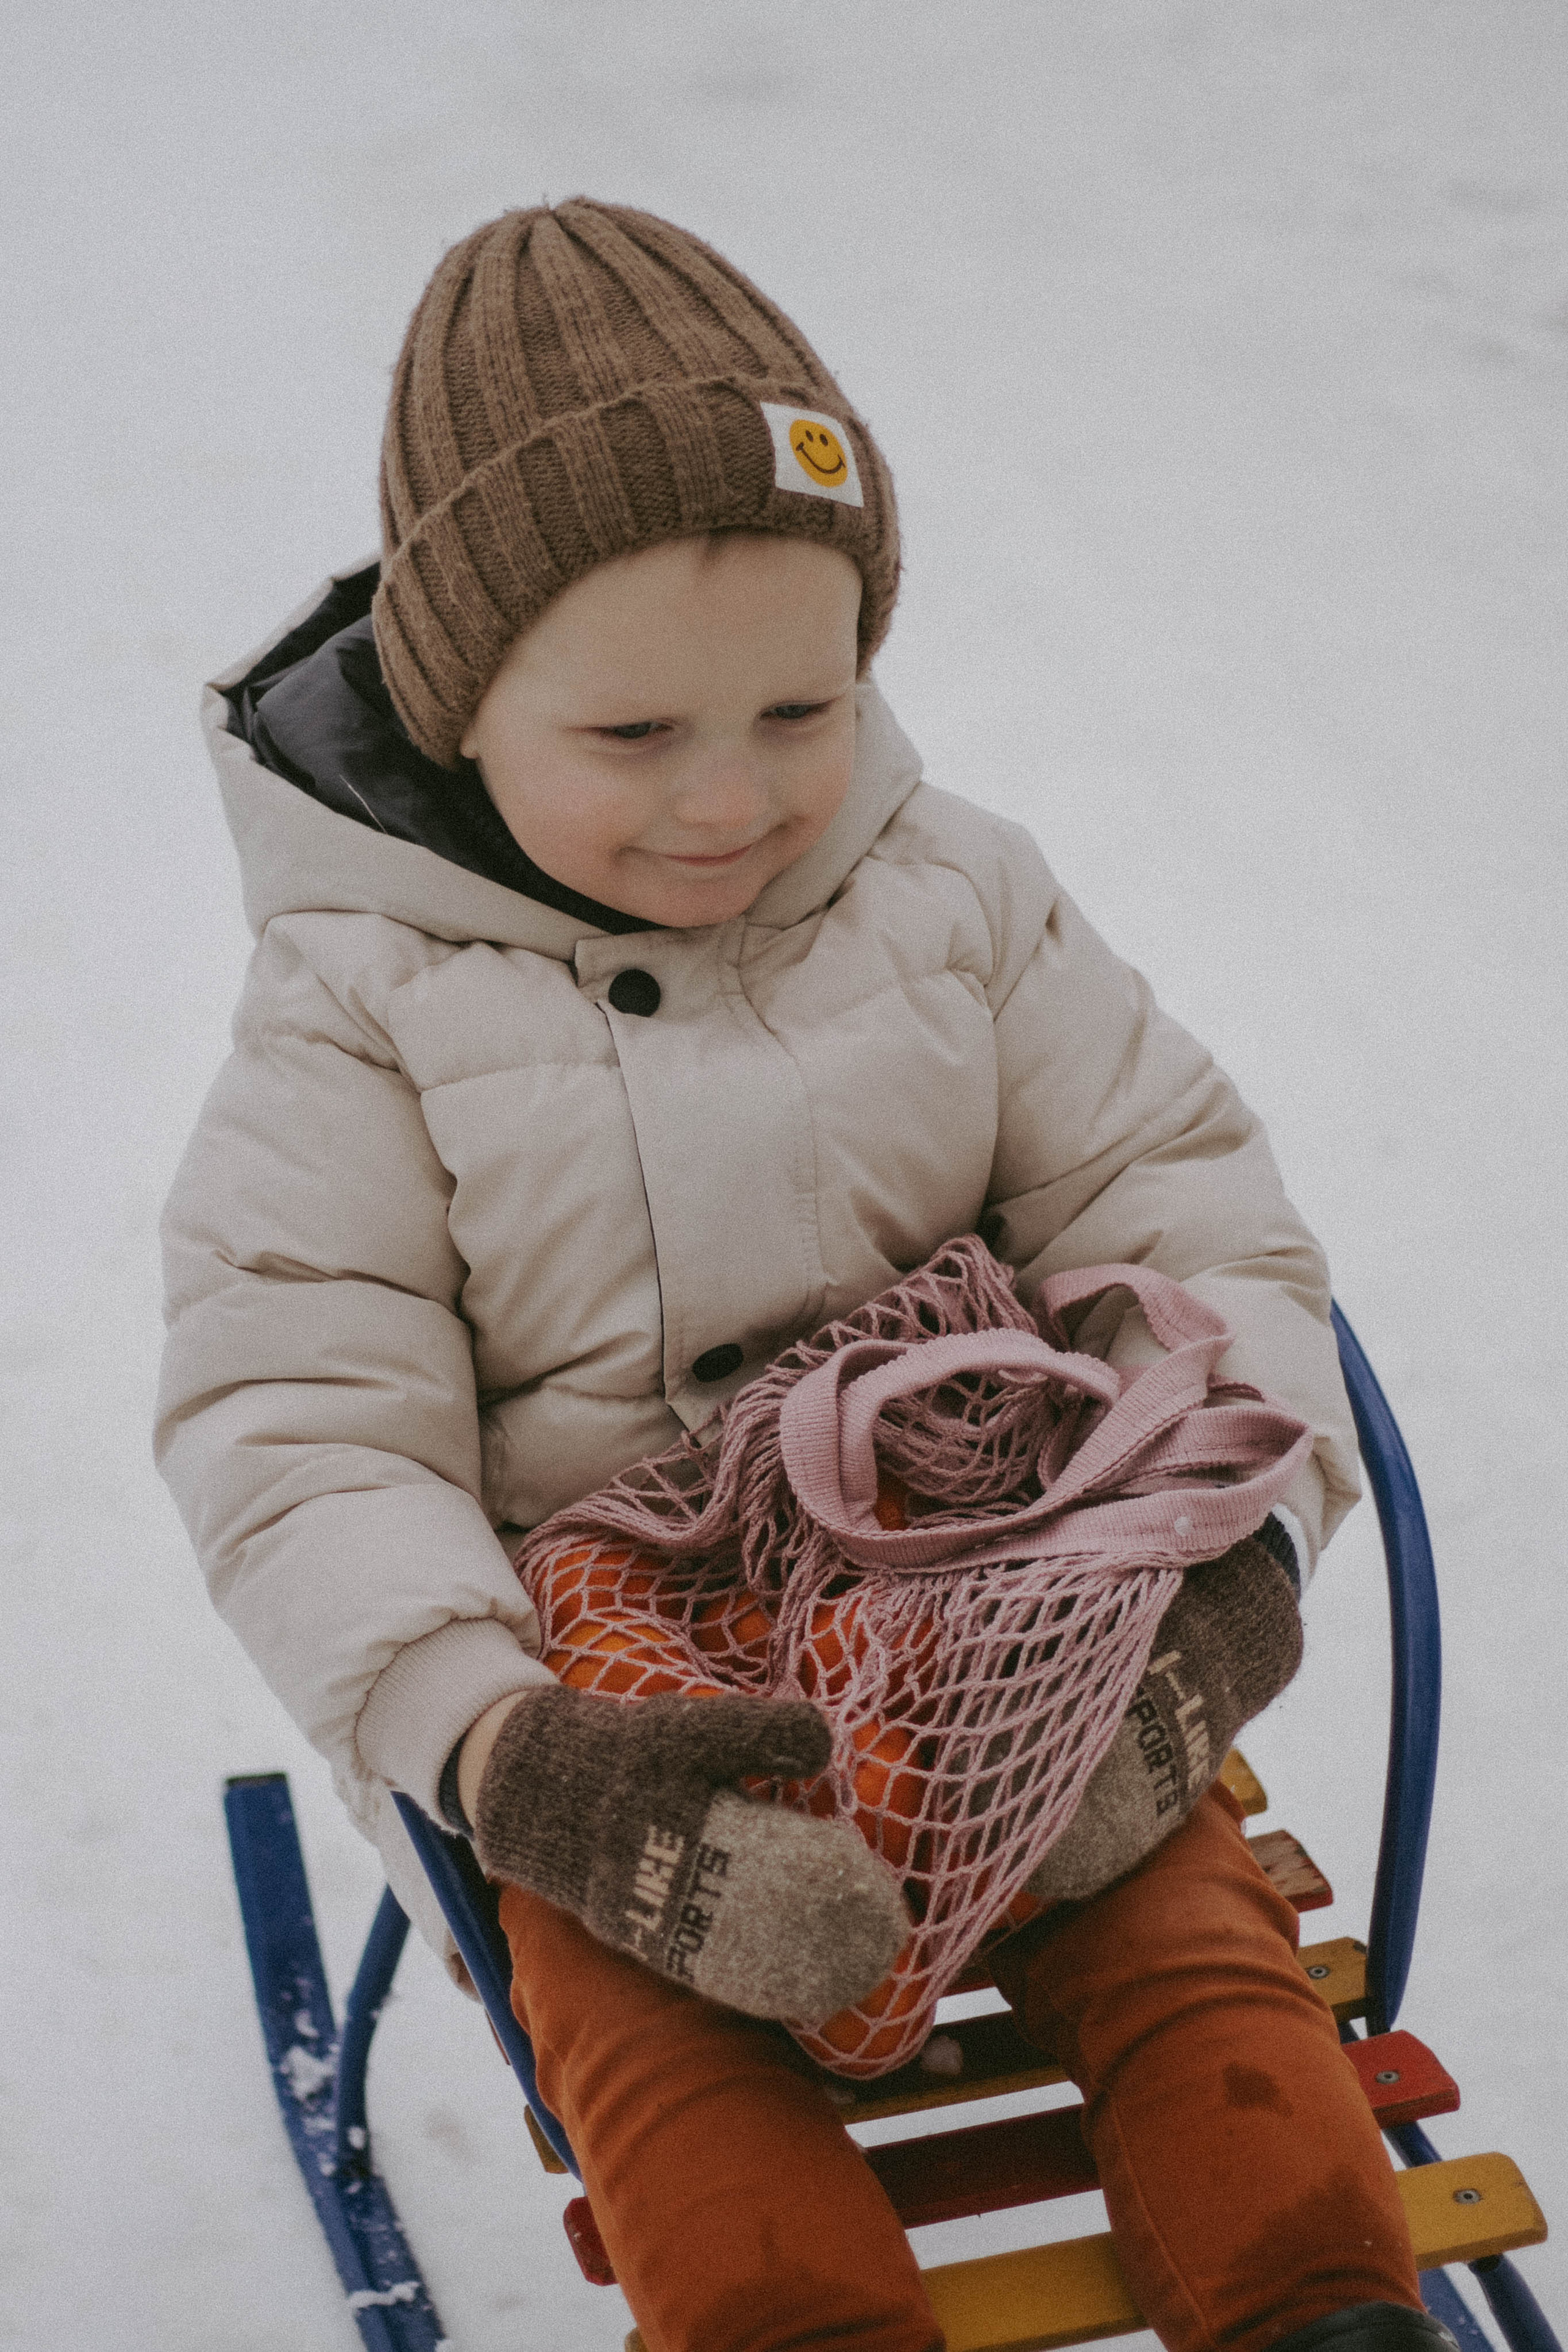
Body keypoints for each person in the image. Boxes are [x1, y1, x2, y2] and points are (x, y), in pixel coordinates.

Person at [156, 200, 1449, 2352]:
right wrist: (501, 1753)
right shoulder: (359, 1014)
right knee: (655, 2038)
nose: (734, 797)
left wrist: (1229, 1561)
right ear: (458, 711)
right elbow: (298, 1431)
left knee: (1173, 1919)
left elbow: (1181, 1207)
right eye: (633, 738)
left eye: (801, 705)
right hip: (615, 1702)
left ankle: (1317, 2301)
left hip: (994, 1583)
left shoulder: (954, 896)